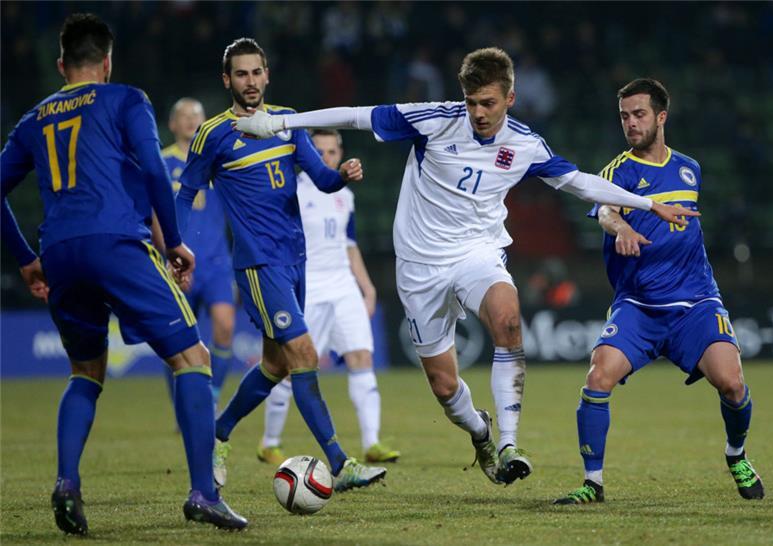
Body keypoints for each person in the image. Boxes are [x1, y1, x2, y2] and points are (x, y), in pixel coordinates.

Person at [235, 47, 698, 485]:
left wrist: (647, 204)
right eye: (471, 101)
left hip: (477, 253)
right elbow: (356, 116)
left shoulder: (525, 144)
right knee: (443, 386)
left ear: (510, 99)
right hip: (420, 266)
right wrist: (280, 123)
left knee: (508, 318)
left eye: (488, 103)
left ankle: (512, 444)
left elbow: (578, 183)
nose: (478, 112)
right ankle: (482, 433)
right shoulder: (435, 120)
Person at [0, 14, 246, 533]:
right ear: (107, 62)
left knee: (86, 372)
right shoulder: (126, 99)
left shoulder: (33, 119)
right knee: (193, 357)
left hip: (60, 252)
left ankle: (67, 483)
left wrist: (26, 258)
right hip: (116, 241)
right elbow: (154, 170)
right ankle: (203, 492)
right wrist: (175, 241)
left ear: (61, 64)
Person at [175, 37, 387, 493]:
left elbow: (323, 180)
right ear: (226, 80)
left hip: (296, 260)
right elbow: (185, 192)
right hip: (258, 264)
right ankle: (340, 461)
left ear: (267, 75)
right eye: (240, 74)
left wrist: (343, 174)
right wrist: (177, 245)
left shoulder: (289, 123)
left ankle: (218, 431)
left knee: (275, 365)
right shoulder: (213, 134)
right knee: (305, 355)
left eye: (256, 72)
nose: (249, 82)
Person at [553, 78, 763, 504]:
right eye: (624, 116)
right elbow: (606, 213)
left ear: (661, 117)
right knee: (597, 377)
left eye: (639, 114)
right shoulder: (620, 170)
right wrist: (623, 227)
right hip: (640, 305)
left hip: (696, 302)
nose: (630, 123)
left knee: (733, 384)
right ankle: (593, 483)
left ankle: (736, 454)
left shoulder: (690, 168)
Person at [258, 129, 400, 466]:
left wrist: (366, 287)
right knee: (292, 368)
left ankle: (372, 442)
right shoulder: (292, 190)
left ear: (340, 153)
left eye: (332, 152)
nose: (326, 158)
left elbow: (349, 246)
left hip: (343, 286)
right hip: (309, 286)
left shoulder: (345, 195)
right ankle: (269, 441)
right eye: (318, 151)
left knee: (361, 357)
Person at [153, 98, 236, 409]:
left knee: (225, 326)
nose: (190, 121)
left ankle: (211, 399)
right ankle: (181, 406)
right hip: (176, 264)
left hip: (216, 262)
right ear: (172, 124)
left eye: (196, 116)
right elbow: (153, 214)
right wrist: (167, 253)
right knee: (174, 340)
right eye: (183, 116)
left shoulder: (218, 163)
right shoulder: (161, 163)